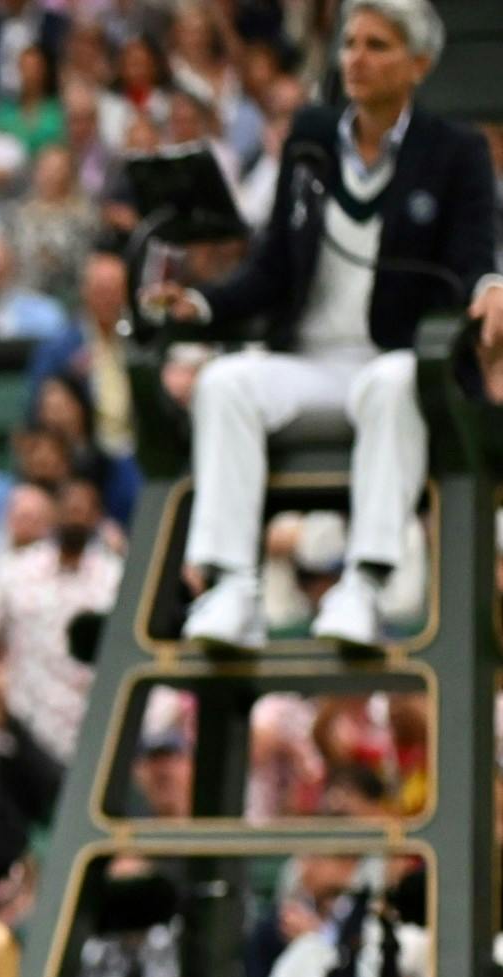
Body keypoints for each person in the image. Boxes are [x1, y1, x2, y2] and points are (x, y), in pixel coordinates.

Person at [149, 0, 503, 652]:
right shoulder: (310, 140)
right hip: (311, 366)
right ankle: (232, 585)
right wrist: (201, 306)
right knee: (225, 383)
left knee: (396, 380)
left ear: (417, 64)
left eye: (377, 45)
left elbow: (475, 260)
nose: (356, 60)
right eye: (349, 44)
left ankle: (364, 586)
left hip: (396, 365)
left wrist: (490, 290)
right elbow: (272, 269)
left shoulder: (455, 151)